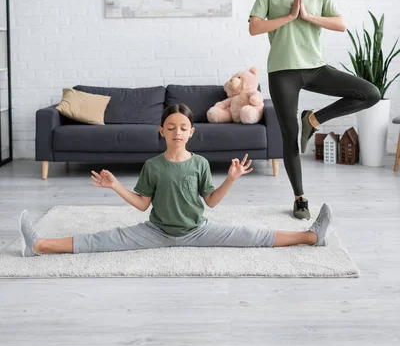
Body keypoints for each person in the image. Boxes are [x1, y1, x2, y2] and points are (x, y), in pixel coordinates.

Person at [19, 104, 332, 257]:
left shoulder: (200, 164)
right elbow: (143, 205)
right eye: (171, 127)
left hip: (198, 230)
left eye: (183, 127)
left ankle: (310, 237)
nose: (177, 131)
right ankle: (39, 245)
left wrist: (232, 178)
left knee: (250, 234)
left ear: (191, 132)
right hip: (156, 231)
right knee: (102, 239)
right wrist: (115, 186)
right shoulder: (152, 166)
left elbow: (211, 201)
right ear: (162, 131)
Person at [249, 0, 380, 220]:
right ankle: (300, 198)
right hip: (283, 71)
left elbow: (340, 23)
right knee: (290, 137)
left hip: (315, 67)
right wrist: (290, 15)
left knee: (370, 93)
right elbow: (255, 28)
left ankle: (314, 119)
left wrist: (307, 16)